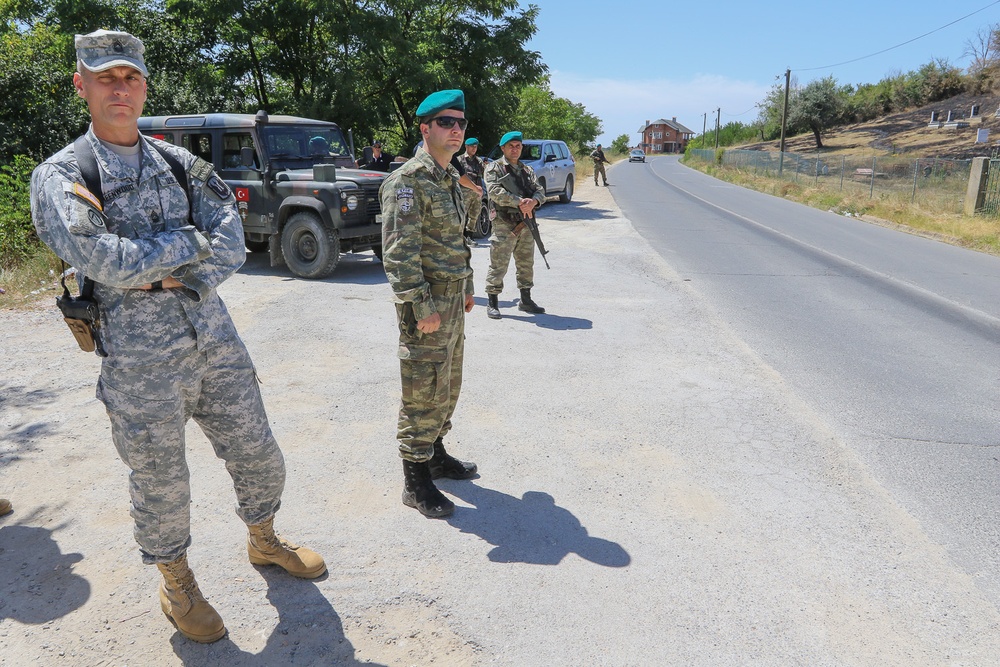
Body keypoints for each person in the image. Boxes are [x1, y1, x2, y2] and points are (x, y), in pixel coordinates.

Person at [30, 30, 325, 645]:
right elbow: (102, 257)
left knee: (259, 454)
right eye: (105, 77)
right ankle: (176, 580)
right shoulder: (62, 175)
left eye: (130, 77)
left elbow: (233, 239)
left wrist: (166, 274)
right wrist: (187, 245)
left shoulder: (179, 162)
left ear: (144, 86)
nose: (119, 88)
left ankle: (264, 539)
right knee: (160, 480)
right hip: (139, 364)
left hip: (215, 340)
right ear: (80, 84)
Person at [379, 89, 478, 519]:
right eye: (445, 123)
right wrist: (423, 309)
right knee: (422, 388)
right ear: (425, 129)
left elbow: (457, 241)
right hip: (427, 308)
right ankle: (415, 477)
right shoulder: (406, 182)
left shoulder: (450, 178)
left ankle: (435, 452)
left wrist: (468, 283)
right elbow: (399, 254)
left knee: (448, 382)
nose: (455, 130)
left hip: (453, 300)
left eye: (460, 123)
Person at [483, 131, 547, 319]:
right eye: (511, 146)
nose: (515, 149)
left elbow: (540, 190)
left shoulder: (527, 170)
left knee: (526, 262)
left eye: (518, 146)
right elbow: (494, 192)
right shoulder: (494, 168)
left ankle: (525, 300)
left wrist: (534, 202)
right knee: (499, 263)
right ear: (503, 148)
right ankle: (493, 301)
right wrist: (520, 201)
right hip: (504, 224)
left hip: (526, 223)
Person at [456, 138, 486, 236]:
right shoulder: (459, 160)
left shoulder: (478, 161)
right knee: (462, 213)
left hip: (477, 192)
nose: (474, 148)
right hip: (464, 191)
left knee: (475, 213)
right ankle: (461, 235)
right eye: (472, 146)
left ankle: (470, 235)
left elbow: (484, 174)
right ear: (466, 147)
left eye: (475, 146)